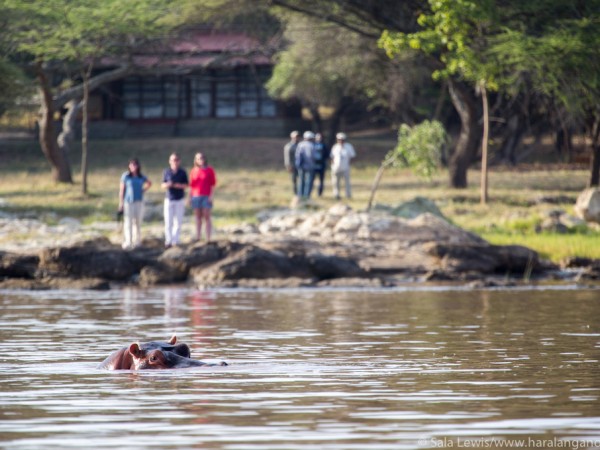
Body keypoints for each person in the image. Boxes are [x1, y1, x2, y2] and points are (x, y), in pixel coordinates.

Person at [118, 157, 152, 249]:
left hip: (139, 201)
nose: (133, 166)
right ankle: (128, 241)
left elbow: (149, 183)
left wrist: (143, 190)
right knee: (128, 221)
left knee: (137, 221)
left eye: (135, 164)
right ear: (129, 166)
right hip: (128, 201)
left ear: (138, 166)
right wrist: (120, 203)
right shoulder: (126, 176)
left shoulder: (141, 176)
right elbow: (122, 191)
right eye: (131, 164)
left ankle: (137, 241)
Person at [161, 152, 188, 248]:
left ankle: (175, 240)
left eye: (176, 160)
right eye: (173, 160)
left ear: (179, 161)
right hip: (169, 198)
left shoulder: (182, 172)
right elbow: (162, 184)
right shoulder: (166, 171)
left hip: (179, 199)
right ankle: (168, 240)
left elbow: (186, 184)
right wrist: (168, 184)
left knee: (178, 221)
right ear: (169, 161)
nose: (175, 162)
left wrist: (178, 185)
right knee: (168, 221)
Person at [189, 152, 216, 242]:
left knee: (207, 216)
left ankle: (208, 237)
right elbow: (191, 186)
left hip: (206, 196)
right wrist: (189, 197)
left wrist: (211, 196)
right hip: (196, 196)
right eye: (198, 158)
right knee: (198, 217)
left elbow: (213, 184)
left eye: (202, 158)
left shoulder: (209, 170)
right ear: (195, 160)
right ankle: (198, 236)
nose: (201, 160)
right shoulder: (193, 170)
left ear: (205, 159)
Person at [330, 132, 356, 199]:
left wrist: (349, 164)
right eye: (339, 139)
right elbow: (332, 157)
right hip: (336, 168)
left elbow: (352, 156)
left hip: (345, 167)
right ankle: (336, 194)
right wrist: (333, 165)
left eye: (342, 139)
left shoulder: (348, 146)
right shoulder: (335, 147)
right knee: (336, 182)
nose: (340, 141)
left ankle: (348, 195)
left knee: (347, 182)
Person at [295, 131, 316, 199]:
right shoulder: (312, 145)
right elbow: (313, 156)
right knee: (309, 181)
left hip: (301, 166)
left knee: (301, 181)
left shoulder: (300, 144)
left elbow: (297, 155)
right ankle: (307, 196)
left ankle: (300, 195)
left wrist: (298, 164)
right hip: (310, 166)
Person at [312, 132, 329, 197]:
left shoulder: (324, 145)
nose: (319, 139)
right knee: (312, 179)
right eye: (318, 137)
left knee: (321, 180)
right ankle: (310, 192)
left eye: (320, 137)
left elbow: (327, 155)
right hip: (314, 165)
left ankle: (320, 193)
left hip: (322, 165)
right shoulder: (312, 145)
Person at [283, 131, 300, 195]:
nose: (297, 138)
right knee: (294, 180)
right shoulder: (289, 146)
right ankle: (295, 193)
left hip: (300, 165)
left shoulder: (300, 145)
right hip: (293, 166)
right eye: (295, 137)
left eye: (297, 137)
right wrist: (288, 166)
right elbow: (287, 157)